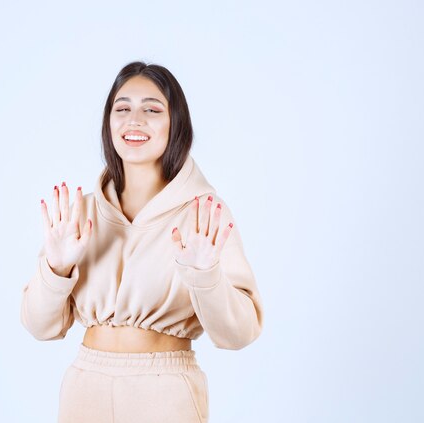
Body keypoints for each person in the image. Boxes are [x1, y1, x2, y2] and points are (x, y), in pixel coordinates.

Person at [20, 61, 264, 423]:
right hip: (85, 390)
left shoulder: (203, 214)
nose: (134, 120)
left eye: (152, 109)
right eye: (122, 109)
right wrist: (56, 268)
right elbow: (40, 327)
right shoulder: (81, 212)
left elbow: (239, 334)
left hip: (165, 394)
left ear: (175, 124)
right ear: (108, 123)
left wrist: (205, 274)